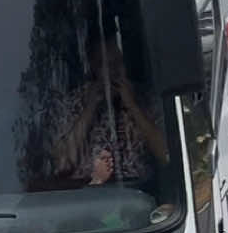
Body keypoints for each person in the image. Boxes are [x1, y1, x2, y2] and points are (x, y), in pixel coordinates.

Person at [47, 31, 167, 188]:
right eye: (108, 65)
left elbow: (166, 154)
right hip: (85, 195)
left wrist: (133, 106)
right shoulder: (71, 104)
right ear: (94, 68)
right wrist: (90, 109)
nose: (115, 71)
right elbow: (61, 164)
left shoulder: (145, 98)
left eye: (119, 63)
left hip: (140, 191)